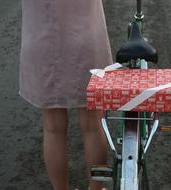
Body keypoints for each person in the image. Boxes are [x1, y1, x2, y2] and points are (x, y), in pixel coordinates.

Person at [19, 0, 113, 190]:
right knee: (92, 125)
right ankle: (96, 188)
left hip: (42, 39)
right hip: (86, 36)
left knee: (53, 127)